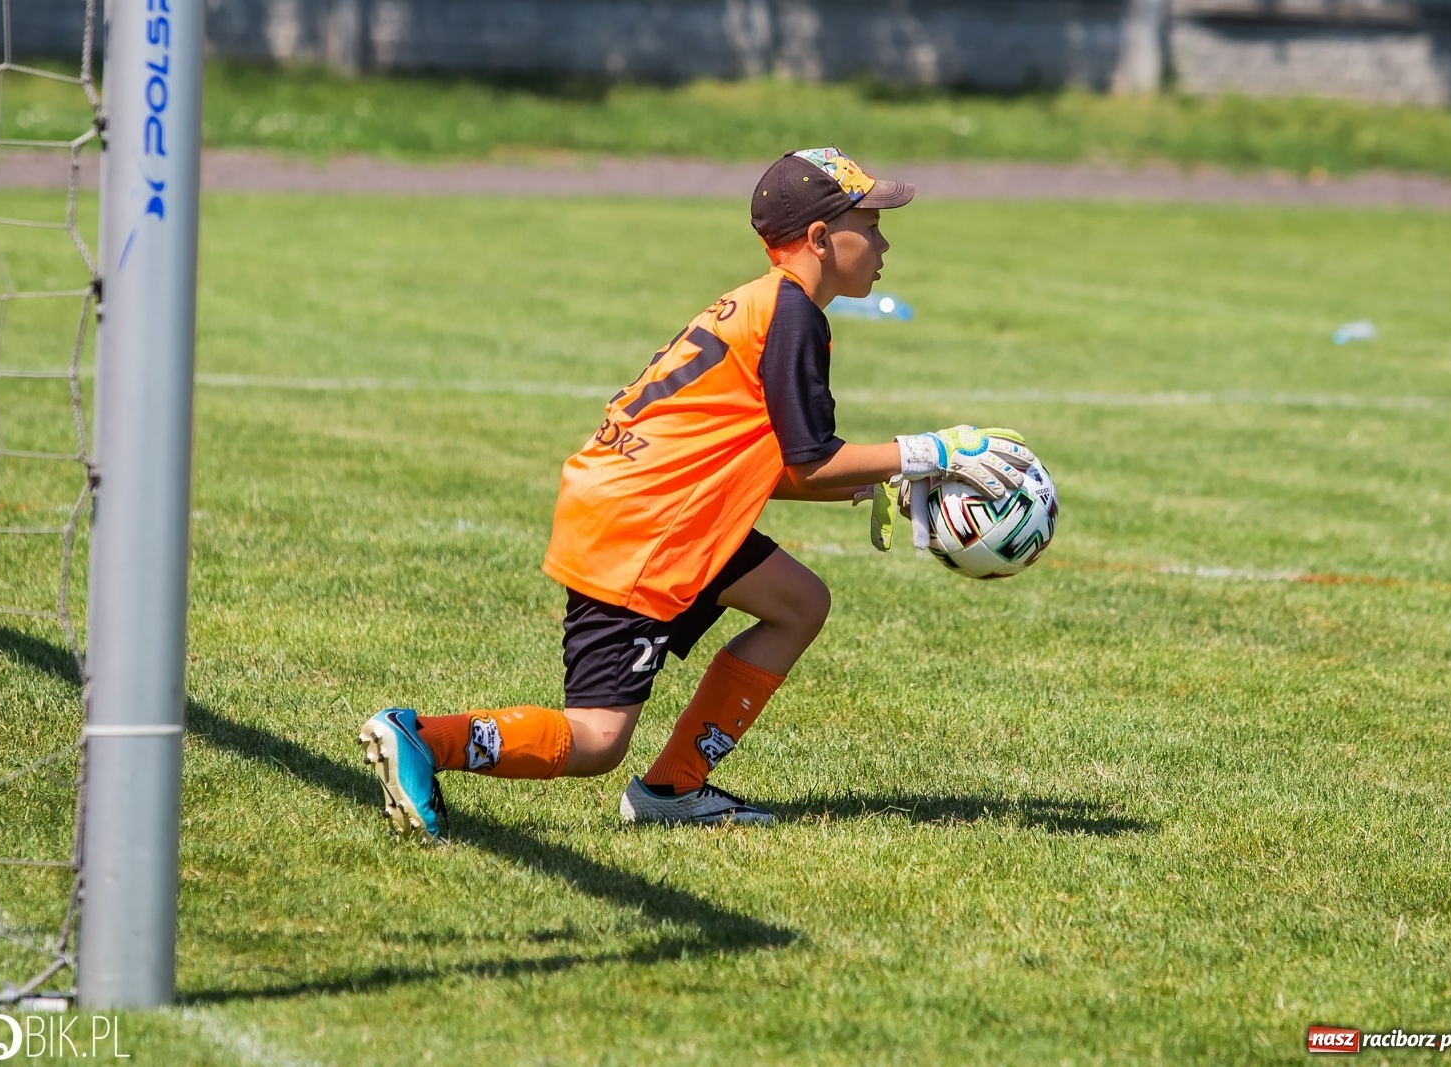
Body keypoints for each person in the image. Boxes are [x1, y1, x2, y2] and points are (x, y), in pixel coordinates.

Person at [357, 147, 1036, 843]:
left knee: (799, 601)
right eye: (873, 222)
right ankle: (423, 738)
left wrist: (877, 479)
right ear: (821, 239)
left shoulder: (766, 303)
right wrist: (937, 451)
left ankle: (674, 789)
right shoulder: (793, 314)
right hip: (647, 525)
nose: (886, 241)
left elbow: (780, 466)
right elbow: (812, 455)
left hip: (662, 509)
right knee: (597, 738)